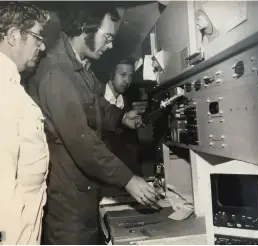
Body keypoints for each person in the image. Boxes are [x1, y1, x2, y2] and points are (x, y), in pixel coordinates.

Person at [27, 4, 161, 245]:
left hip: (84, 195)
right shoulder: (57, 75)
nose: (110, 46)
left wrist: (121, 117)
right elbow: (84, 144)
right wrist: (129, 180)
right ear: (83, 28)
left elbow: (97, 100)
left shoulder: (80, 69)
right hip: (68, 207)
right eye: (107, 37)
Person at [0, 2, 50, 244]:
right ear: (13, 37)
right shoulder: (3, 91)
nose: (42, 45)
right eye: (36, 37)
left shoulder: (10, 83)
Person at [102, 59, 142, 176]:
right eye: (123, 75)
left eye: (130, 76)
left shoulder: (128, 104)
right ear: (111, 74)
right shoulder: (96, 96)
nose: (127, 81)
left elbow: (132, 148)